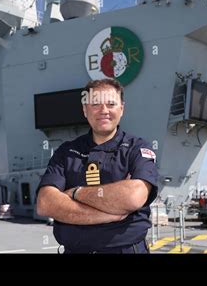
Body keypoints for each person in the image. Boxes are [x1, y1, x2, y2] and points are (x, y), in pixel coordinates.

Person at [36, 78, 158, 253]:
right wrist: (109, 214)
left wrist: (75, 193)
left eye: (111, 104)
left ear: (121, 109)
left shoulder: (137, 148)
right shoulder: (66, 152)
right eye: (95, 104)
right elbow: (45, 203)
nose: (104, 111)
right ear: (85, 110)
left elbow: (133, 197)